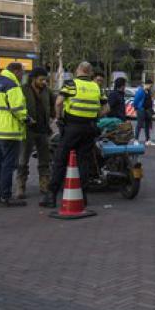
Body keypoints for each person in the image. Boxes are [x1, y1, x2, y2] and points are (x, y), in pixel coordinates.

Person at [44, 62, 109, 208]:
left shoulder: (71, 84)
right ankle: (83, 197)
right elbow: (106, 108)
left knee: (60, 160)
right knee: (83, 162)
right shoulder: (96, 87)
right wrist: (94, 116)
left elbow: (59, 102)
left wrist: (59, 118)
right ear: (90, 72)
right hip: (89, 128)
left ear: (78, 70)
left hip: (72, 127)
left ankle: (51, 196)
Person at [0, 62, 28, 207]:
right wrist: (26, 118)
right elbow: (17, 108)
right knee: (8, 165)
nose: (22, 75)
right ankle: (6, 196)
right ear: (16, 71)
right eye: (22, 72)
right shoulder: (12, 85)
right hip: (9, 131)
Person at [14, 67, 55, 201]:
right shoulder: (23, 90)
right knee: (23, 160)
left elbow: (54, 104)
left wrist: (53, 116)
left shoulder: (47, 91)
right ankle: (20, 187)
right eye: (41, 80)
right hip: (27, 130)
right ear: (33, 79)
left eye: (45, 80)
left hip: (43, 130)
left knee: (45, 160)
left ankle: (44, 185)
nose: (44, 82)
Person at [134, 80, 155, 145]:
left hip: (147, 110)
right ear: (147, 84)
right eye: (150, 86)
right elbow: (135, 101)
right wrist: (137, 108)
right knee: (139, 125)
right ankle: (136, 140)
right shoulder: (140, 91)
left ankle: (148, 140)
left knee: (147, 125)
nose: (151, 87)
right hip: (141, 110)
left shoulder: (148, 91)